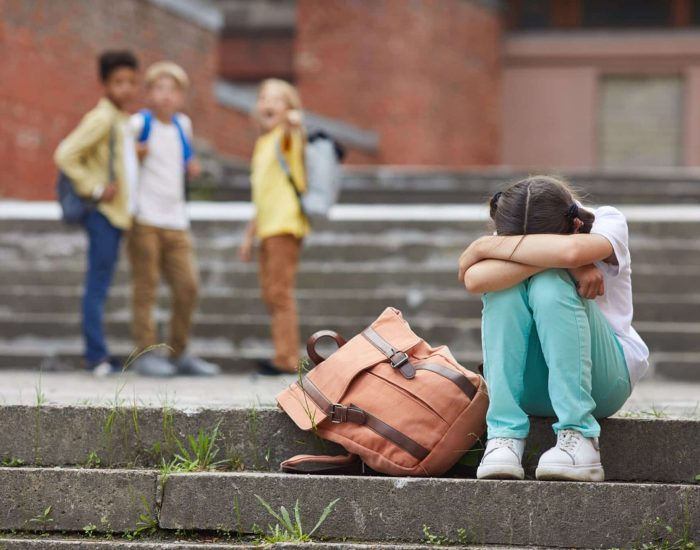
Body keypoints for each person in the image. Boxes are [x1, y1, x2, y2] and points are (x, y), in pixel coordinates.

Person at [458, 175, 649, 482]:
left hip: (603, 382)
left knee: (549, 283)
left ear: (575, 228)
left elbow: (571, 253)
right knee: (502, 290)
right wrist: (564, 261)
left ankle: (580, 436)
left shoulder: (606, 221)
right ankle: (503, 436)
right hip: (532, 388)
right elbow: (475, 280)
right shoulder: (515, 227)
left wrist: (486, 247)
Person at [126, 61, 220, 377]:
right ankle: (146, 353)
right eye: (159, 88)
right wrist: (134, 156)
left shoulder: (183, 125)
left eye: (173, 90)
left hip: (176, 220)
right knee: (146, 288)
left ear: (181, 96)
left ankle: (179, 352)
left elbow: (182, 158)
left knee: (188, 286)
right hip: (145, 220)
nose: (166, 96)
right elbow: (124, 164)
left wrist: (191, 165)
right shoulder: (139, 124)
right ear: (149, 92)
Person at [54, 50, 140, 376]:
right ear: (104, 83)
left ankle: (98, 353)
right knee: (97, 284)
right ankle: (96, 356)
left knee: (101, 282)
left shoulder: (120, 119)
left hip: (117, 216)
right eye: (119, 82)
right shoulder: (102, 117)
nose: (127, 88)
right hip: (103, 214)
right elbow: (65, 154)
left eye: (132, 82)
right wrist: (95, 187)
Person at [239, 79, 309, 375]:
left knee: (279, 292)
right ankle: (283, 353)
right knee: (270, 293)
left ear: (288, 107)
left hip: (285, 224)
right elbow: (262, 195)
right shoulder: (262, 143)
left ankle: (287, 358)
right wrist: (249, 235)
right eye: (263, 97)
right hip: (267, 227)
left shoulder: (285, 137)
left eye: (277, 99)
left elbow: (296, 131)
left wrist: (294, 121)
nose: (268, 103)